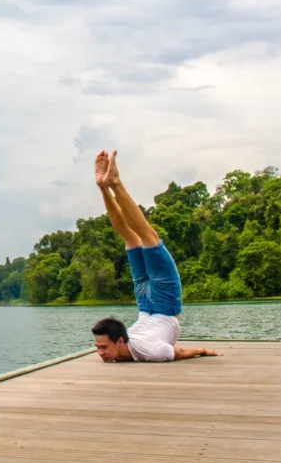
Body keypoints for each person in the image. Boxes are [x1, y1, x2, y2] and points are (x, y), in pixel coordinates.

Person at [91, 150, 222, 362]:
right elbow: (177, 352)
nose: (101, 353)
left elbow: (179, 352)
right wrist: (203, 351)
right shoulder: (145, 351)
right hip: (154, 305)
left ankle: (113, 184)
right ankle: (104, 186)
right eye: (99, 348)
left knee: (141, 236)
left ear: (121, 341)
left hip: (152, 304)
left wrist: (204, 351)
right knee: (137, 237)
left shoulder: (149, 352)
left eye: (104, 348)